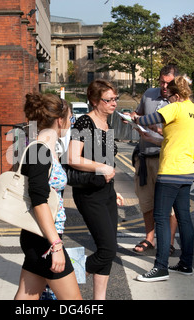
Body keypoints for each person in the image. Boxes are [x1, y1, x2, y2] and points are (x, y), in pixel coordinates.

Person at [134, 75, 194, 282]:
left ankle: (160, 267)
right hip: (187, 171)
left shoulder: (175, 107)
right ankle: (186, 263)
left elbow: (145, 119)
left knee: (161, 217)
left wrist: (133, 118)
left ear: (175, 96)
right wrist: (159, 136)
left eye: (169, 98)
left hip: (170, 170)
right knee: (184, 218)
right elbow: (178, 138)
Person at [14, 93, 82, 300]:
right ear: (59, 120)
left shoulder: (47, 150)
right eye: (70, 118)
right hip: (43, 239)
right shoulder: (39, 151)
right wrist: (56, 245)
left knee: (27, 298)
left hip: (42, 236)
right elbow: (39, 202)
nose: (71, 123)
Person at [68, 79, 123, 300]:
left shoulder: (107, 125)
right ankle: (59, 280)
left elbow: (108, 162)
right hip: (88, 193)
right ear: (94, 100)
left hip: (106, 191)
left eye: (115, 99)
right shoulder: (84, 123)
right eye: (108, 99)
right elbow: (72, 157)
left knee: (106, 250)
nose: (114, 103)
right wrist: (101, 167)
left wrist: (113, 186)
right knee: (108, 250)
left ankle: (98, 302)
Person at [130, 65, 180, 254]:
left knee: (170, 205)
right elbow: (138, 113)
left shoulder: (179, 101)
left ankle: (169, 242)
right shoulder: (149, 94)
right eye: (162, 82)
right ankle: (149, 238)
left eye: (169, 83)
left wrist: (158, 130)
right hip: (145, 157)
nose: (164, 86)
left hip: (166, 159)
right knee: (147, 201)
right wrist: (133, 117)